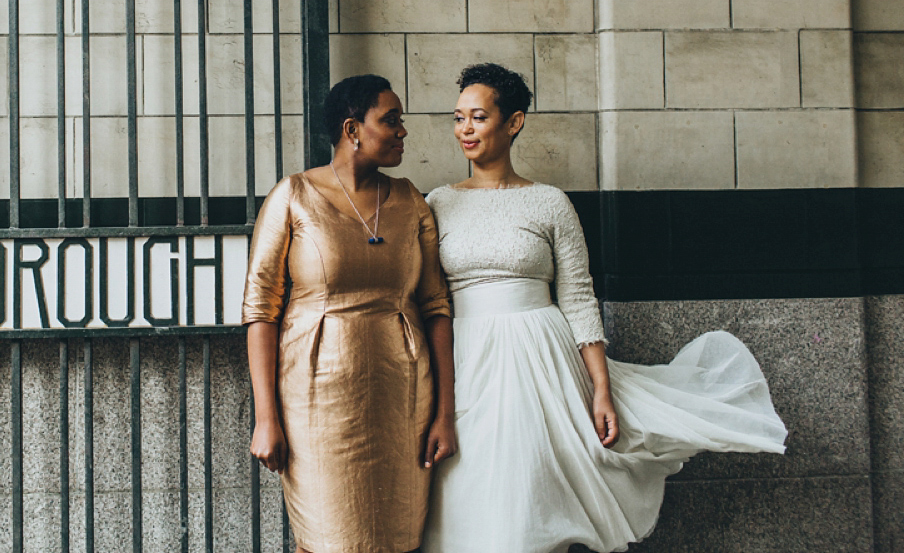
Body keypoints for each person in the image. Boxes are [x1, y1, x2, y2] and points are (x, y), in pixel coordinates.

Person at [422, 63, 788, 553]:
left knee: (529, 494)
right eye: (458, 118)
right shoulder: (438, 203)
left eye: (479, 117)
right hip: (464, 360)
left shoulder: (549, 203)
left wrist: (601, 389)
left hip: (540, 360)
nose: (465, 129)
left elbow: (576, 296)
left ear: (514, 122)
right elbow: (431, 300)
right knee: (466, 495)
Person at [243, 74, 457, 553]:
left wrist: (444, 413)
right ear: (352, 129)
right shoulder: (293, 195)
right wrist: (265, 417)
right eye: (391, 121)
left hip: (404, 400)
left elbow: (436, 306)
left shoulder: (410, 201)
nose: (403, 132)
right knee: (325, 538)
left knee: (398, 538)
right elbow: (261, 308)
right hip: (314, 402)